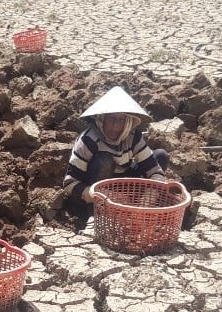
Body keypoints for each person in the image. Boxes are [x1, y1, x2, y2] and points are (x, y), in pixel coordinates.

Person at [62, 86, 169, 217]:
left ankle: (134, 208)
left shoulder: (133, 137)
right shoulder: (88, 140)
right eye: (111, 119)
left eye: (121, 120)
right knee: (104, 161)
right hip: (92, 191)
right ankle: (96, 216)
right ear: (102, 119)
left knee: (160, 155)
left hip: (121, 183)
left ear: (128, 122)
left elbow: (155, 172)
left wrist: (147, 200)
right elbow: (69, 184)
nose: (116, 125)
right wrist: (104, 195)